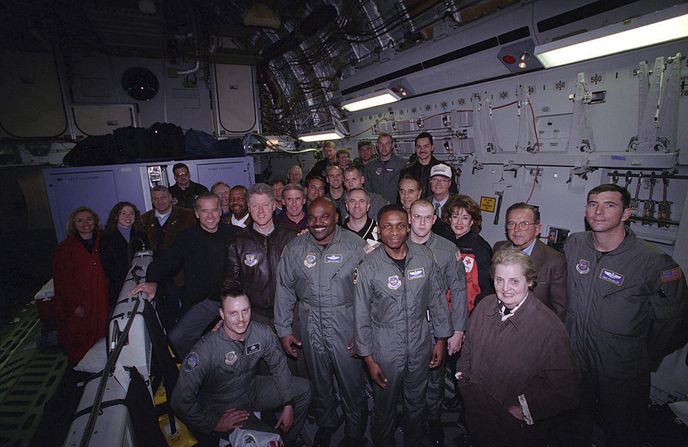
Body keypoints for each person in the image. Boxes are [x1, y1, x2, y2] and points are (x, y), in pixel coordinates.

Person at [564, 183, 688, 446]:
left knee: (622, 432)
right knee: (574, 425)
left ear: (626, 214)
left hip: (622, 368)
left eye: (609, 205)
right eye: (592, 204)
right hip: (576, 359)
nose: (598, 211)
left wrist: (641, 355)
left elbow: (675, 322)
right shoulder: (575, 244)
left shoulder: (653, 262)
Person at [457, 248, 581, 447]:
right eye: (499, 280)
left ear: (530, 282)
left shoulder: (549, 328)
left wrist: (524, 408)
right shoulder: (484, 307)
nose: (505, 288)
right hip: (478, 414)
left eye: (514, 281)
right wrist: (463, 380)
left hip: (514, 429)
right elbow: (468, 348)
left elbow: (567, 388)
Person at [354, 204, 451, 446]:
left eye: (400, 226)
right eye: (387, 226)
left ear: (408, 228)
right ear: (378, 230)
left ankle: (414, 440)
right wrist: (368, 358)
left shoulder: (424, 257)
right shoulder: (368, 267)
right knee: (384, 405)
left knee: (417, 402)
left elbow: (437, 299)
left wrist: (440, 340)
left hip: (420, 342)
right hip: (385, 347)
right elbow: (361, 315)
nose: (394, 232)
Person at [275, 197, 369, 447]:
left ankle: (354, 430)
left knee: (351, 382)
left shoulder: (355, 245)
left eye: (324, 217)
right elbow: (284, 289)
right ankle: (327, 422)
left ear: (337, 217)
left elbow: (370, 293)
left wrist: (362, 332)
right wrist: (284, 329)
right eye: (312, 217)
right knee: (319, 380)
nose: (317, 223)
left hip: (345, 321)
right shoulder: (295, 248)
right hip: (309, 321)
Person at [171, 288, 312, 447]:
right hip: (225, 406)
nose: (241, 319)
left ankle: (289, 440)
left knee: (304, 389)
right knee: (270, 443)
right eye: (233, 313)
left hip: (253, 389)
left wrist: (288, 404)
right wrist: (213, 423)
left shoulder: (261, 333)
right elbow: (179, 401)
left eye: (245, 310)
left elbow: (279, 365)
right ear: (222, 314)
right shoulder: (205, 350)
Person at [129, 193, 240, 358]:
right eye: (204, 211)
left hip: (233, 298)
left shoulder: (236, 234)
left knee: (236, 339)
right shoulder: (186, 237)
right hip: (203, 300)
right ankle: (202, 367)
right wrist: (152, 282)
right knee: (177, 337)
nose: (210, 216)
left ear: (221, 211)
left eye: (214, 210)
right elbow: (166, 261)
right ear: (196, 213)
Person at [408, 200, 468, 446]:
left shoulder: (447, 249)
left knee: (435, 378)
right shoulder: (396, 245)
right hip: (405, 325)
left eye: (427, 217)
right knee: (407, 377)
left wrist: (458, 330)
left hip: (436, 326)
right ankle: (411, 421)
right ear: (409, 218)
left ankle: (434, 420)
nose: (422, 222)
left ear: (434, 220)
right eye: (417, 217)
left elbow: (459, 289)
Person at [223, 183, 296, 325]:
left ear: (274, 206)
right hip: (255, 317)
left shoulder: (291, 237)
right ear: (249, 208)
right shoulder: (237, 242)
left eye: (265, 205)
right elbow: (231, 283)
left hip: (290, 314)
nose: (261, 211)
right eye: (255, 206)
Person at [53, 207, 109, 364]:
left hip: (101, 298)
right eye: (80, 220)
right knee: (81, 337)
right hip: (81, 302)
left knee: (103, 334)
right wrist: (74, 305)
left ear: (95, 221)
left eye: (89, 219)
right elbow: (62, 282)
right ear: (73, 224)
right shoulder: (65, 249)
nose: (85, 223)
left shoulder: (103, 242)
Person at [493, 202, 567, 321]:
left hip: (534, 326)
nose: (516, 229)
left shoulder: (554, 261)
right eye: (512, 224)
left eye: (524, 224)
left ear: (537, 229)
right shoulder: (498, 248)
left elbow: (559, 310)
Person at [140, 186, 196, 330]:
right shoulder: (144, 219)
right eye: (156, 199)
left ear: (170, 197)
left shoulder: (188, 215)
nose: (160, 201)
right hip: (158, 274)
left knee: (189, 312)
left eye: (163, 197)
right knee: (165, 313)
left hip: (183, 273)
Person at [442, 194, 494, 312]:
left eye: (465, 218)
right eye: (455, 217)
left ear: (471, 222)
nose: (459, 222)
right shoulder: (442, 242)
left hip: (468, 310)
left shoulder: (480, 248)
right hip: (442, 309)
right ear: (449, 219)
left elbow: (486, 288)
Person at [100, 201, 149, 305]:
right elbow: (107, 265)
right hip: (119, 285)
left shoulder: (141, 234)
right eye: (123, 213)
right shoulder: (106, 237)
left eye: (131, 213)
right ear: (115, 216)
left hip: (141, 281)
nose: (128, 216)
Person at [399, 132, 458, 198]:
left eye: (426, 146)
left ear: (432, 148)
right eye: (419, 147)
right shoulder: (406, 172)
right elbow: (401, 197)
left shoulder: (444, 169)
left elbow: (453, 196)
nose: (422, 150)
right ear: (415, 149)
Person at [365, 133, 406, 204]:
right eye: (381, 144)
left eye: (387, 143)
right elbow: (367, 190)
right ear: (377, 146)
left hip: (396, 207)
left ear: (392, 145)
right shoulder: (370, 167)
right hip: (376, 207)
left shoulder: (402, 164)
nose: (384, 147)